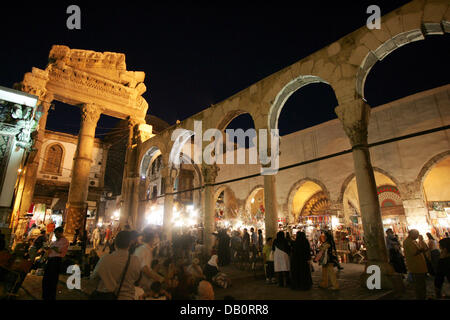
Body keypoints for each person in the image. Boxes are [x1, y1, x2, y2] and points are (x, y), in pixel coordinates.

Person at [90, 231, 141, 300]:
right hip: (126, 297)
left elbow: (93, 277)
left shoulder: (105, 259)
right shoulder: (135, 261)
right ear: (129, 244)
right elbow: (136, 278)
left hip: (106, 296)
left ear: (115, 243)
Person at [42, 227, 69, 300]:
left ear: (60, 233)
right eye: (55, 234)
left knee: (53, 279)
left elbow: (60, 251)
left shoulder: (64, 241)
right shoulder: (55, 241)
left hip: (56, 260)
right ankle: (45, 295)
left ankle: (51, 296)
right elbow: (50, 251)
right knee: (46, 279)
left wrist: (52, 247)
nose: (56, 235)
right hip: (51, 260)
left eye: (57, 234)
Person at [403, 229, 428, 299]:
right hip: (415, 266)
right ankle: (420, 297)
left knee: (421, 283)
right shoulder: (408, 242)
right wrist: (422, 249)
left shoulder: (413, 241)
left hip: (419, 265)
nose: (417, 236)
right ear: (411, 234)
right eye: (416, 234)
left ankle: (423, 296)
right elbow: (413, 253)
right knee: (419, 284)